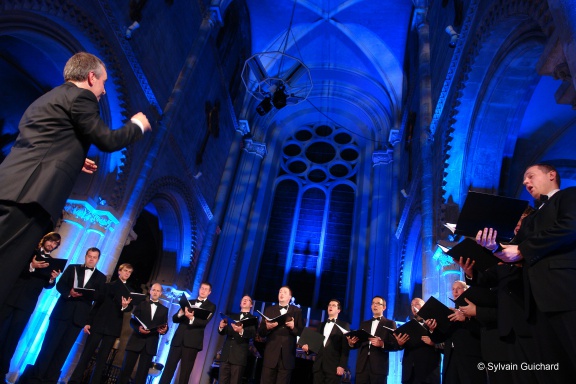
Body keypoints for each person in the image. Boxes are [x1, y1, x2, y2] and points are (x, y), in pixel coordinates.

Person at [0, 51, 152, 308]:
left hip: (13, 187)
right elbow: (107, 140)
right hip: (32, 197)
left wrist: (72, 157)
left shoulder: (51, 97)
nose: (103, 91)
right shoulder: (82, 97)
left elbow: (43, 140)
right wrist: (137, 125)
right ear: (91, 77)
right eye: (103, 83)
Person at [482, 163, 576, 380]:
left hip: (565, 292)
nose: (525, 182)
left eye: (530, 176)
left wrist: (524, 249)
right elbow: (512, 250)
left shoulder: (568, 196)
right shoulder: (530, 219)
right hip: (534, 303)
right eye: (524, 179)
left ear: (551, 175)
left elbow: (571, 226)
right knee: (552, 370)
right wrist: (492, 246)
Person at [26, 247, 107, 384]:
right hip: (62, 312)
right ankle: (36, 378)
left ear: (98, 260)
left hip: (78, 318)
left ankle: (50, 380)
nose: (91, 259)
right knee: (48, 346)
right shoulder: (72, 268)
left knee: (63, 351)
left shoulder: (101, 277)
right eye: (89, 256)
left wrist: (88, 294)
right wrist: (69, 292)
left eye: (94, 257)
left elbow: (100, 296)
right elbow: (60, 285)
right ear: (85, 256)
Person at [0, 232, 62, 382]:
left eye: (55, 244)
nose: (52, 245)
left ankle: (1, 371)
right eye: (51, 241)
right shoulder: (30, 252)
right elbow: (13, 269)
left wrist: (52, 279)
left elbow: (48, 286)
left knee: (13, 337)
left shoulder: (52, 262)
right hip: (12, 297)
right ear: (45, 239)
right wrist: (32, 266)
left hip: (28, 302)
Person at [68, 263, 135, 384]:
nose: (127, 273)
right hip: (98, 324)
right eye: (125, 270)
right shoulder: (107, 286)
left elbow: (129, 308)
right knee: (86, 355)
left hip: (112, 328)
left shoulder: (129, 292)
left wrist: (125, 306)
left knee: (102, 360)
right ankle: (74, 381)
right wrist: (88, 322)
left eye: (129, 272)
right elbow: (97, 304)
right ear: (119, 271)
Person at [427, 281, 486, 384]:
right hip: (450, 361)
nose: (455, 291)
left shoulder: (476, 309)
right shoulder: (450, 313)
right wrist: (432, 329)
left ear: (466, 290)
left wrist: (466, 319)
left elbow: (482, 332)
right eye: (453, 289)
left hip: (470, 361)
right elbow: (439, 338)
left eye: (458, 288)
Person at [158, 282, 216, 384]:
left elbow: (204, 323)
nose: (203, 290)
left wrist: (191, 318)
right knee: (168, 369)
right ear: (199, 289)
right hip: (178, 339)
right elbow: (175, 319)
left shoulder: (211, 306)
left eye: (206, 289)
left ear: (209, 292)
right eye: (202, 288)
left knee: (185, 373)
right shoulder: (189, 302)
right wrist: (180, 313)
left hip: (192, 343)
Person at [118, 283, 169, 384]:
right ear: (150, 291)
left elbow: (164, 326)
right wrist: (138, 329)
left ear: (161, 293)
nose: (155, 292)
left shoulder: (164, 310)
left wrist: (164, 331)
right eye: (153, 290)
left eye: (158, 291)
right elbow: (132, 321)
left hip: (150, 344)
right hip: (136, 340)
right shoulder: (141, 304)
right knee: (125, 370)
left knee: (142, 375)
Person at [347, 296, 400, 384]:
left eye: (378, 304)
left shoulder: (390, 323)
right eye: (373, 303)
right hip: (362, 366)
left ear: (384, 307)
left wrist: (382, 344)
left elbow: (395, 345)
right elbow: (359, 343)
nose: (375, 305)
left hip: (379, 367)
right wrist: (352, 343)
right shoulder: (364, 324)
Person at [257, 286, 304, 384]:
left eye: (285, 292)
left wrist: (293, 327)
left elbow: (302, 332)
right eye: (280, 292)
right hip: (271, 354)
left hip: (287, 356)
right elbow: (261, 332)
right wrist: (268, 327)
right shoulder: (270, 310)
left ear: (290, 297)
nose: (281, 294)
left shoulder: (297, 311)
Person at [301, 299, 350, 384]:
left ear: (339, 310)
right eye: (329, 305)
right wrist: (308, 350)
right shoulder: (321, 325)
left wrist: (342, 366)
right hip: (319, 366)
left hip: (334, 367)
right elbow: (316, 344)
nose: (330, 306)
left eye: (334, 305)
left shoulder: (344, 325)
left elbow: (345, 348)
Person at [394, 298, 440, 384]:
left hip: (428, 373)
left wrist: (433, 342)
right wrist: (400, 344)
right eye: (412, 305)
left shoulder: (434, 323)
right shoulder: (408, 326)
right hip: (409, 373)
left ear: (424, 306)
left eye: (417, 304)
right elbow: (400, 346)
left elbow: (443, 343)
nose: (414, 307)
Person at [217, 295, 257, 384]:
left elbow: (252, 334)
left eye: (247, 300)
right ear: (240, 303)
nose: (245, 301)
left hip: (239, 357)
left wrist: (241, 331)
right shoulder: (232, 316)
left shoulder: (253, 319)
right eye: (243, 299)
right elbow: (224, 331)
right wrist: (221, 327)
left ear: (251, 305)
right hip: (226, 355)